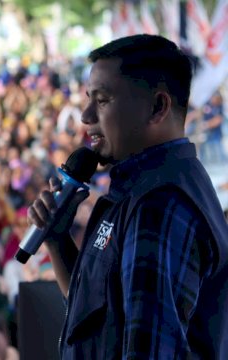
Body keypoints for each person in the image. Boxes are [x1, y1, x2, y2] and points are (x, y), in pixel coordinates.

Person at [28, 35, 228, 358]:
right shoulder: (141, 188)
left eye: (103, 100)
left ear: (157, 107)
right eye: (88, 98)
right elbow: (98, 322)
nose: (85, 115)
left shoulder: (160, 204)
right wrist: (57, 238)